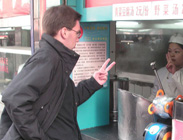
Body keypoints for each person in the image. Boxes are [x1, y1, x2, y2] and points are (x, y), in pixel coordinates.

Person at [0, 5, 115, 140]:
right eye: (77, 32)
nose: (78, 37)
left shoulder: (58, 61)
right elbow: (13, 98)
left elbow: (67, 101)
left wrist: (94, 82)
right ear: (64, 32)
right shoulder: (48, 59)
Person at [150, 33, 183, 101]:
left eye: (176, 52)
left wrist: (175, 73)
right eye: (169, 51)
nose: (172, 55)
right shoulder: (160, 73)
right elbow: (154, 96)